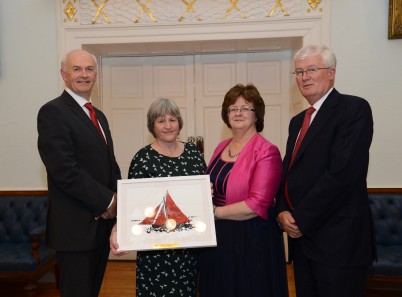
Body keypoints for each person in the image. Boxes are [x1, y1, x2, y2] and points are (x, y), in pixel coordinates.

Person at [276, 44, 375, 297]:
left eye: (311, 69)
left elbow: (343, 175)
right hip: (302, 244)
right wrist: (282, 209)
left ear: (331, 72)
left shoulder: (353, 110)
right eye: (299, 72)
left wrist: (301, 218)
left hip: (338, 243)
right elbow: (288, 171)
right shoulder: (297, 121)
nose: (304, 76)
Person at [37, 49, 121, 297]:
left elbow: (110, 166)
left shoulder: (100, 116)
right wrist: (108, 201)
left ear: (96, 74)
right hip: (75, 231)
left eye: (89, 69)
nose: (84, 75)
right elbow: (65, 170)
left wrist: (119, 205)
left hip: (101, 228)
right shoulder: (53, 112)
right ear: (64, 74)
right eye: (77, 69)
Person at [198, 83, 289, 297]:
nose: (238, 112)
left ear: (257, 114)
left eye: (245, 108)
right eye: (232, 108)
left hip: (251, 239)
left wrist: (213, 213)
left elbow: (257, 204)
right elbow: (216, 183)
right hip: (219, 238)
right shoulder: (221, 146)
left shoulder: (267, 151)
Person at [110, 98, 206, 297]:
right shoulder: (142, 158)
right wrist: (119, 230)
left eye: (172, 119)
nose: (168, 125)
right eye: (161, 121)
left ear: (179, 123)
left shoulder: (194, 154)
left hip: (189, 246)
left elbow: (202, 195)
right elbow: (132, 205)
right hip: (155, 249)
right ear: (152, 125)